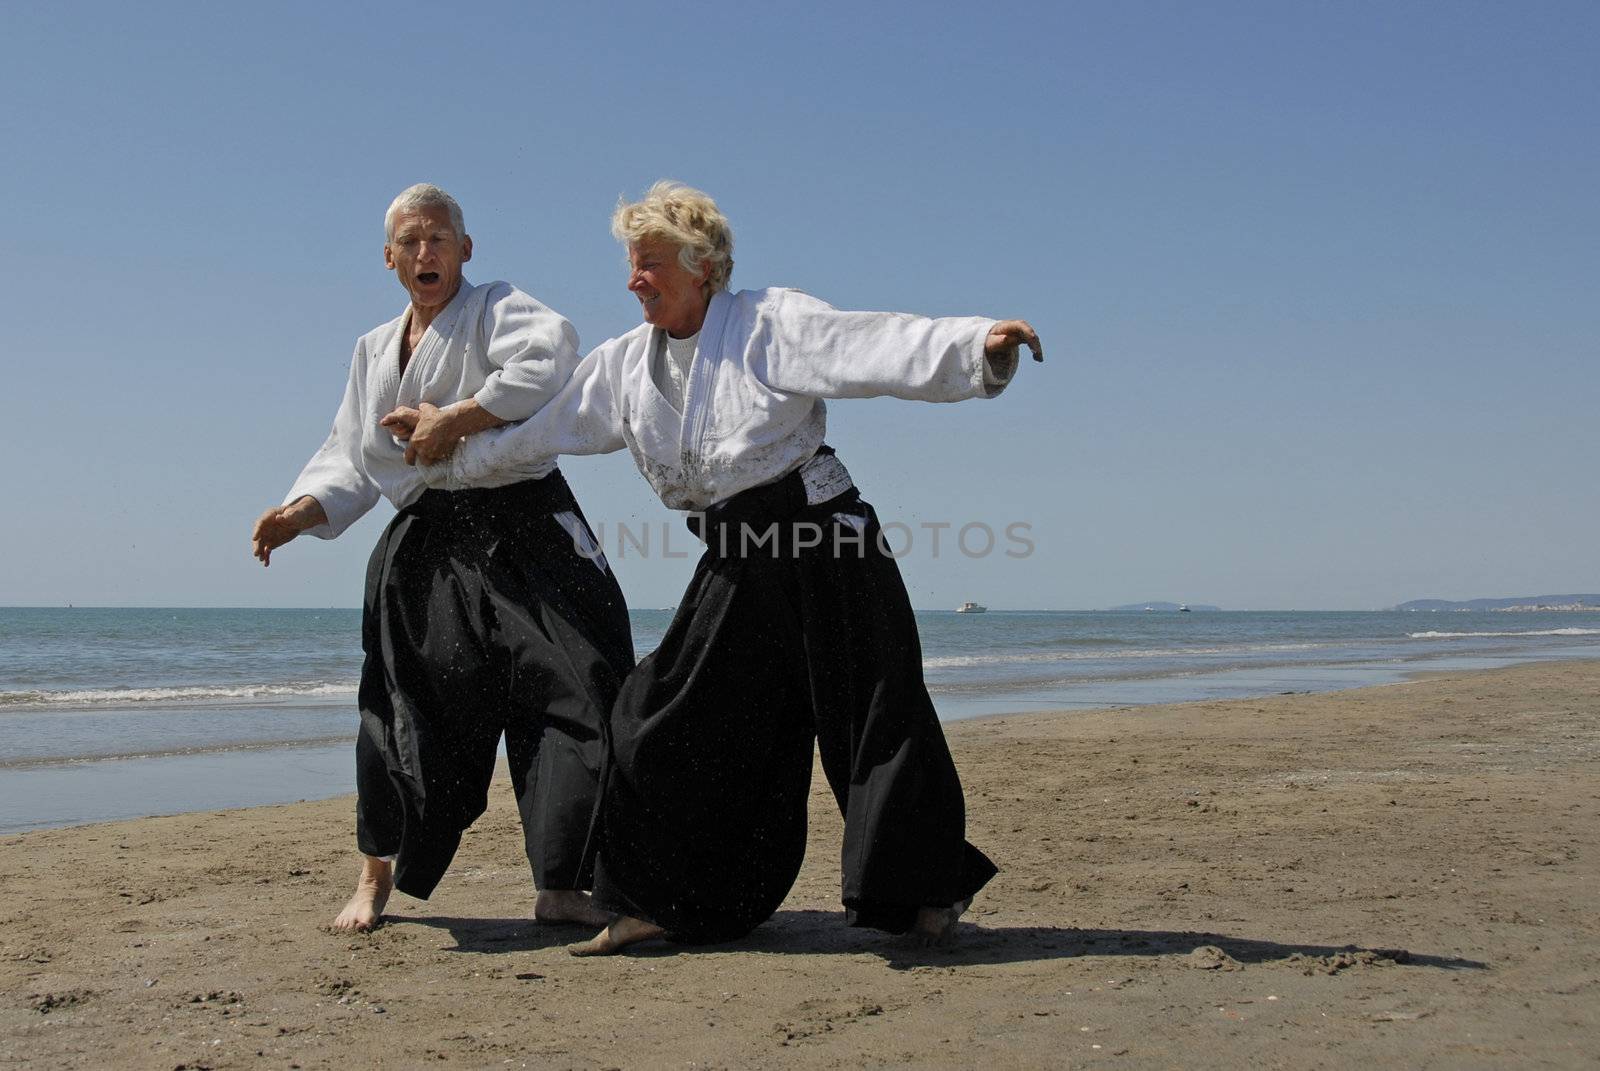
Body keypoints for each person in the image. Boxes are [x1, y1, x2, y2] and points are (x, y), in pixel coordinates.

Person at [398, 180, 1042, 954]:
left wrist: (976, 346)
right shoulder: (624, 366)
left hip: (822, 535)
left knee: (874, 711)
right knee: (653, 715)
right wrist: (450, 453)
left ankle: (927, 894)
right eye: (631, 265)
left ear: (702, 266)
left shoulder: (770, 322)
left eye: (650, 265)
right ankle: (663, 899)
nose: (634, 280)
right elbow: (542, 431)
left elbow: (871, 344)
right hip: (737, 554)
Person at [250, 183, 634, 932]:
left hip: (529, 523)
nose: (426, 252)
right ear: (389, 257)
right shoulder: (371, 350)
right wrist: (298, 513)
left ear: (466, 248)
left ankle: (563, 882)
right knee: (404, 704)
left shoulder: (497, 307)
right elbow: (352, 456)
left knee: (582, 686)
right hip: (428, 538)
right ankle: (376, 874)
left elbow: (551, 358)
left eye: (439, 239)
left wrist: (456, 418)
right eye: (411, 242)